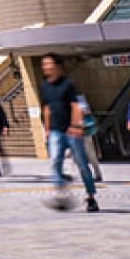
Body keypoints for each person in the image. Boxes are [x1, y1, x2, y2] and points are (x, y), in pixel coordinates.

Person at [40, 54, 97, 213]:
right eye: (44, 64)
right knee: (55, 162)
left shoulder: (68, 85)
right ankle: (61, 195)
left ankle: (91, 196)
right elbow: (47, 108)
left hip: (71, 131)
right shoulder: (44, 86)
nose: (45, 67)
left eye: (48, 64)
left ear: (58, 66)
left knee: (82, 164)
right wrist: (47, 129)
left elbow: (76, 106)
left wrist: (76, 126)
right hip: (56, 131)